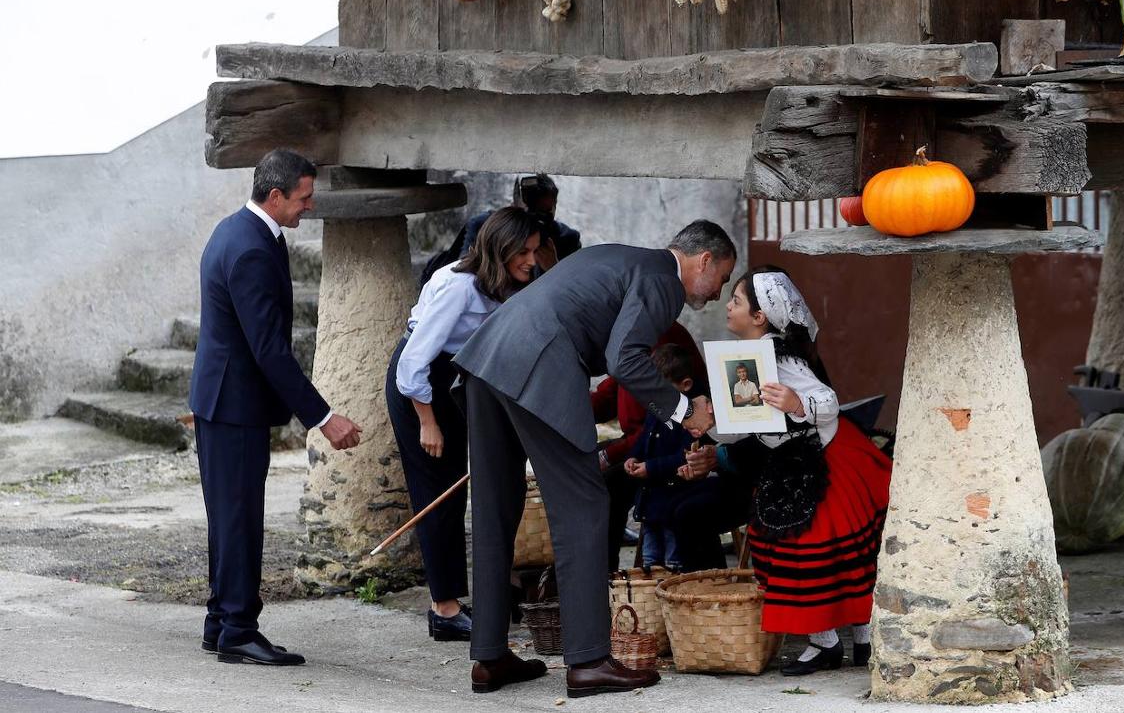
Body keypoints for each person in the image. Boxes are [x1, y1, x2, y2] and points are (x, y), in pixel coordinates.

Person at [453, 220, 736, 697]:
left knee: (494, 508)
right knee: (583, 506)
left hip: (489, 358)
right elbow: (625, 359)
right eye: (722, 278)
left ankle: (489, 655)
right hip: (538, 363)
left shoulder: (623, 257)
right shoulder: (663, 280)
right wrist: (686, 410)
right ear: (703, 260)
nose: (717, 292)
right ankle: (588, 661)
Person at [189, 148, 362, 666]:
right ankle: (238, 630)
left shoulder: (236, 230)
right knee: (239, 519)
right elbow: (269, 351)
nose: (310, 206)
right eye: (304, 198)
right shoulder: (251, 249)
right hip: (234, 405)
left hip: (223, 399)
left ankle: (221, 621)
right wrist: (324, 418)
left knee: (228, 517)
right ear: (275, 195)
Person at [692, 266, 893, 676]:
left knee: (825, 552)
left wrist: (797, 403)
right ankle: (832, 641)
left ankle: (855, 639)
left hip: (824, 462)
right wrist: (711, 423)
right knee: (807, 554)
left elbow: (827, 402)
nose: (728, 307)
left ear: (759, 316)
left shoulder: (780, 358)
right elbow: (747, 424)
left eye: (736, 301)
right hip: (788, 464)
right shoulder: (747, 359)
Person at [385, 208, 542, 642]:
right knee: (436, 493)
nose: (531, 260)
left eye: (534, 250)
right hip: (420, 386)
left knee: (455, 491)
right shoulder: (459, 286)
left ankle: (454, 601)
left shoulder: (506, 281)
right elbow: (413, 363)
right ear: (501, 249)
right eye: (523, 252)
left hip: (454, 378)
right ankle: (444, 610)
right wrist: (428, 422)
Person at [590, 321, 706, 571]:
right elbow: (613, 389)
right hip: (640, 443)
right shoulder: (631, 338)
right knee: (588, 468)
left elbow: (661, 435)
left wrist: (614, 456)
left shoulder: (663, 338)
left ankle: (605, 573)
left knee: (605, 486)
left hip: (666, 455)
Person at [623, 343, 720, 572]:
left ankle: (672, 582)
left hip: (674, 494)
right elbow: (644, 439)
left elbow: (686, 457)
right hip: (651, 497)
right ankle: (650, 587)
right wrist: (633, 457)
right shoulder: (656, 409)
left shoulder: (691, 418)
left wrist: (651, 467)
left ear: (685, 385)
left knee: (673, 559)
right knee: (650, 558)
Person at [461, 174, 581, 270]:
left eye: (545, 213)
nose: (536, 224)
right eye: (530, 215)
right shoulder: (485, 228)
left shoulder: (567, 239)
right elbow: (464, 272)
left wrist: (555, 269)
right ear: (513, 207)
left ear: (554, 206)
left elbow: (579, 287)